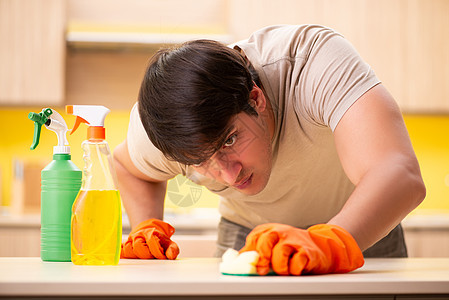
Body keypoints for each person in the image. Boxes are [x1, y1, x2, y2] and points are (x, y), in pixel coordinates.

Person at [113, 24, 426, 275]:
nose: (229, 174)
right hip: (249, 236)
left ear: (256, 98)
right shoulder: (162, 126)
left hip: (357, 230)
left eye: (229, 140)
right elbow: (127, 167)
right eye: (201, 162)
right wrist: (145, 227)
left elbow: (400, 174)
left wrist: (327, 243)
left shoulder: (311, 63)